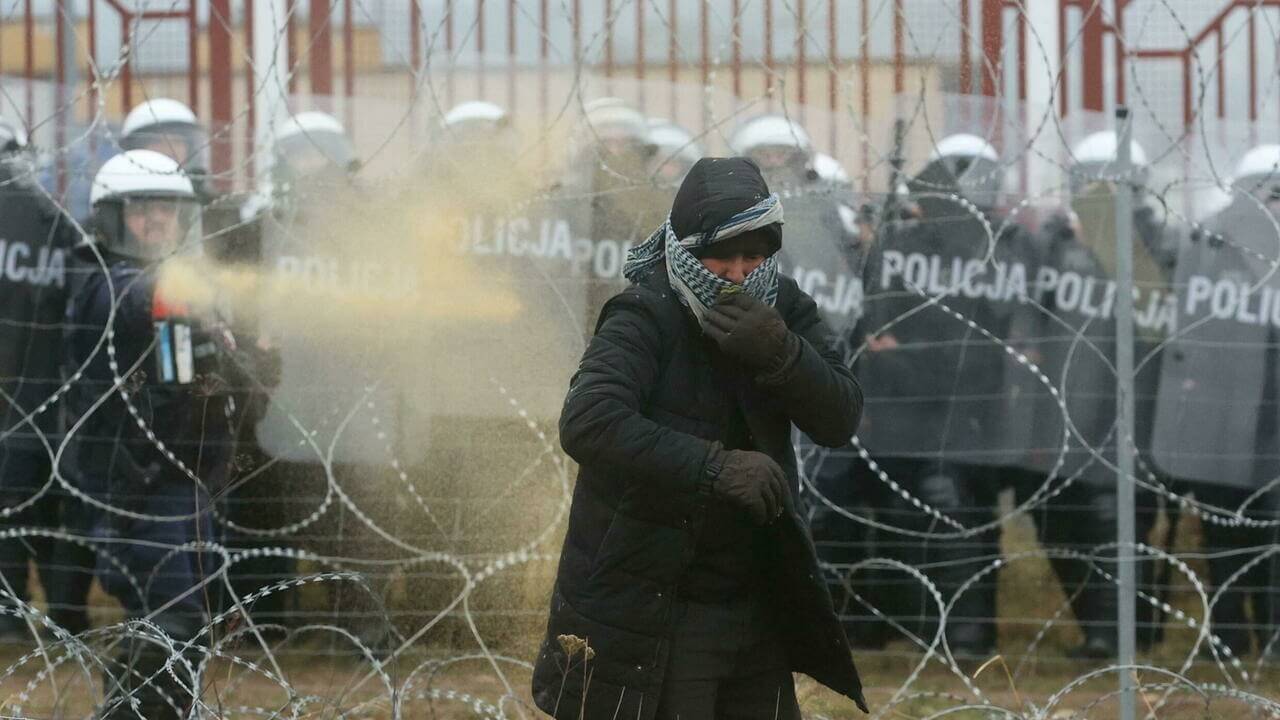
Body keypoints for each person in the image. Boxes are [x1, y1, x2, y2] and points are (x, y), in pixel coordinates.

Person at [531, 157, 867, 719]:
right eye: (721, 256)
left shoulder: (781, 306)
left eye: (753, 257)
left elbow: (841, 416)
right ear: (684, 249)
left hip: (755, 597)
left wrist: (782, 353)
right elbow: (589, 420)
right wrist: (714, 467)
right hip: (656, 601)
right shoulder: (646, 313)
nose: (736, 274)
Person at [66, 149, 241, 718]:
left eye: (167, 209)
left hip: (183, 478)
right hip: (137, 485)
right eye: (141, 210)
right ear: (111, 218)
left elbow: (184, 375)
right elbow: (130, 302)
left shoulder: (171, 287)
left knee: (172, 625)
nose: (157, 221)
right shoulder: (101, 279)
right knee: (175, 623)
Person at [857, 132, 1039, 659]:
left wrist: (902, 358)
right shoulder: (908, 242)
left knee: (960, 512)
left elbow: (997, 339)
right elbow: (876, 326)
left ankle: (962, 634)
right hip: (927, 407)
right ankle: (933, 631)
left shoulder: (1006, 244)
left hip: (964, 409)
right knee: (912, 513)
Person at [1019, 130, 1173, 659]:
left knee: (1118, 516)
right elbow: (1027, 310)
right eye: (1091, 181)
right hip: (1062, 405)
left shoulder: (1158, 244)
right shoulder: (1056, 243)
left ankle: (1118, 634)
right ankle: (1110, 622)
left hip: (1135, 409)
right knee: (1053, 515)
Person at [1150, 143, 1280, 658]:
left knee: (1268, 524)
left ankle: (1268, 630)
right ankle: (1229, 630)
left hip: (1267, 409)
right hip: (1221, 408)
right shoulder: (1211, 238)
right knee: (1223, 522)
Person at [0, 116, 94, 639]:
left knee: (9, 509)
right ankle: (68, 617)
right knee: (65, 512)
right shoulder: (55, 221)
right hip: (59, 396)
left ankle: (8, 612)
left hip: (11, 392)